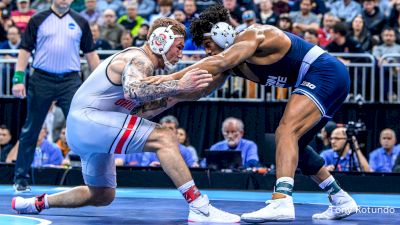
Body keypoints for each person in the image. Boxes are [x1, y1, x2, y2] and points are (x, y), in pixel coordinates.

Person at [12, 17, 240, 223]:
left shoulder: (144, 70)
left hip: (87, 128)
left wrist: (216, 76)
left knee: (102, 194)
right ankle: (199, 206)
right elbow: (134, 90)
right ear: (161, 40)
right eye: (179, 47)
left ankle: (36, 203)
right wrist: (179, 84)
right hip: (89, 121)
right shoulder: (137, 58)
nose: (180, 54)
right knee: (164, 137)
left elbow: (141, 110)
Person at [145, 4, 358, 222]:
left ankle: (281, 200)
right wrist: (152, 103)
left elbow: (217, 61)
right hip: (325, 80)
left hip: (325, 72)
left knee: (286, 131)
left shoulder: (254, 34)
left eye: (208, 44)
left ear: (222, 32)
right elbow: (199, 90)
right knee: (296, 146)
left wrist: (164, 78)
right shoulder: (230, 63)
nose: (207, 51)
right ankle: (340, 198)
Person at [11, 0, 100, 192]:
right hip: (41, 79)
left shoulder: (81, 22)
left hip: (70, 81)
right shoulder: (37, 19)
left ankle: (96, 178)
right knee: (31, 128)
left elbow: (91, 54)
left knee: (84, 127)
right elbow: (25, 50)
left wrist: (103, 83)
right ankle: (21, 178)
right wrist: (18, 78)